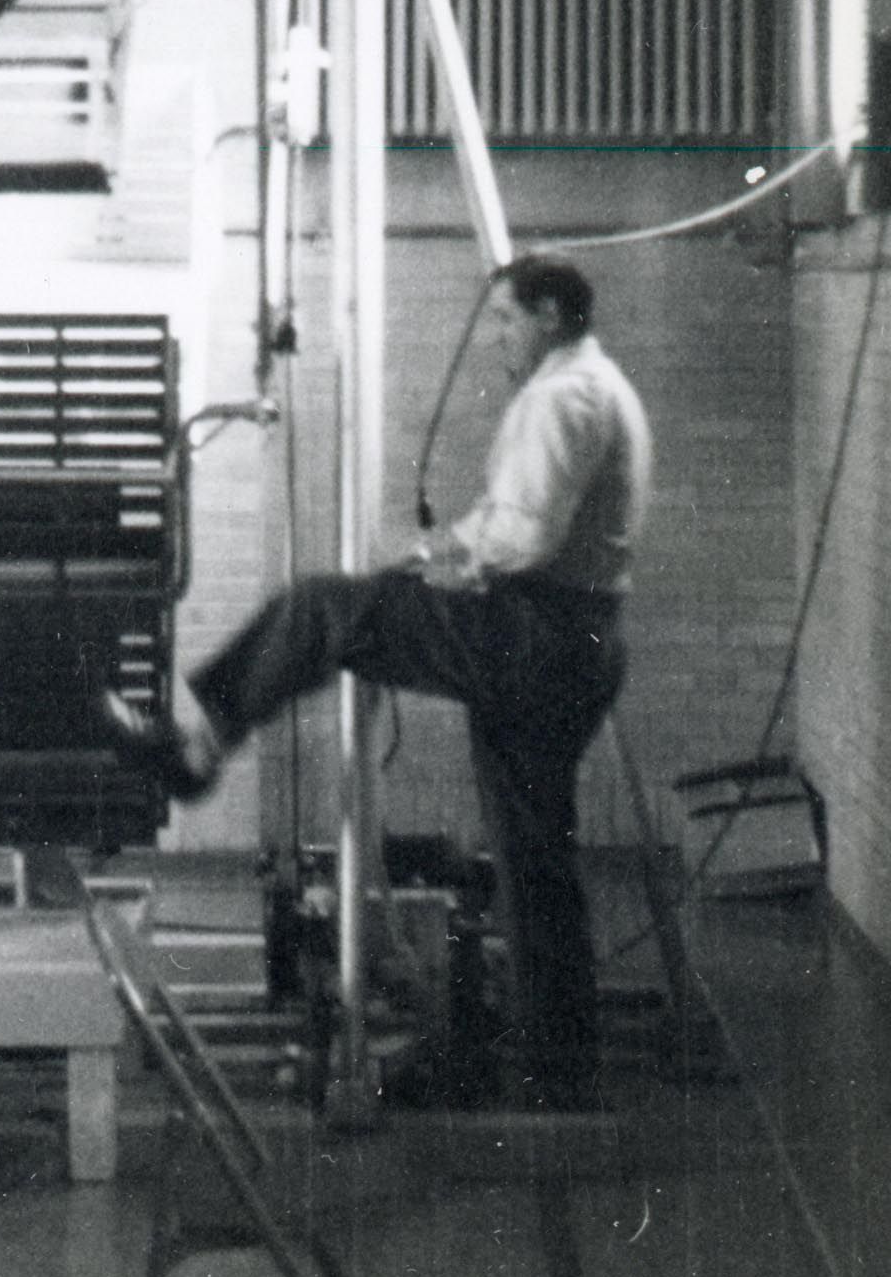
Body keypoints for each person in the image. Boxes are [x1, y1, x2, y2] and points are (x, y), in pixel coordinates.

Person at [106, 254, 652, 1111]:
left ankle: (198, 747)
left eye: (506, 318)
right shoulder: (598, 384)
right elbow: (514, 520)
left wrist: (447, 562)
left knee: (322, 609)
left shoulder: (561, 397)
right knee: (535, 859)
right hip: (581, 640)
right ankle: (557, 1063)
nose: (497, 337)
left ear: (549, 313)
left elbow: (525, 536)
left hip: (536, 632)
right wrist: (436, 552)